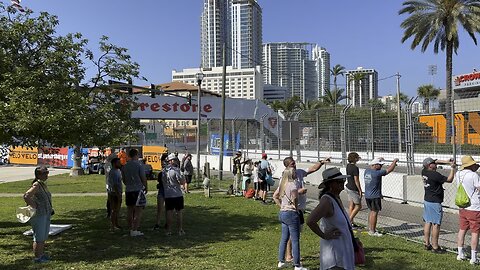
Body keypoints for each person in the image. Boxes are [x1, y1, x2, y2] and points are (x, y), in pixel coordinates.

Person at [282, 156, 330, 263]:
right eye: (292, 164)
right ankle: (288, 256)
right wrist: (299, 192)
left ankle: (292, 255)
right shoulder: (286, 176)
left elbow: (312, 169)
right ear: (286, 166)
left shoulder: (299, 172)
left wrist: (321, 162)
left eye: (294, 163)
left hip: (299, 209)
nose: (294, 165)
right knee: (292, 234)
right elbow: (284, 192)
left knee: (296, 233)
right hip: (292, 209)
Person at [307, 167, 354, 270]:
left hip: (342, 250)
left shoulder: (336, 197)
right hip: (334, 256)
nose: (342, 183)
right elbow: (310, 221)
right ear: (330, 184)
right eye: (339, 181)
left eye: (343, 180)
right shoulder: (327, 201)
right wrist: (324, 235)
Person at [273, 168, 307, 270]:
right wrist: (296, 208)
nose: (296, 174)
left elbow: (275, 196)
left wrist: (281, 206)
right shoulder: (293, 185)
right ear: (291, 175)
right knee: (295, 240)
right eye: (294, 173)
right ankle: (297, 265)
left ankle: (281, 261)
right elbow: (295, 198)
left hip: (283, 212)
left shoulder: (282, 184)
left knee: (284, 238)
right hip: (292, 214)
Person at [421, 157, 456, 253]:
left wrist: (446, 161)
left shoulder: (424, 171)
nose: (436, 164)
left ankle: (426, 243)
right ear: (429, 165)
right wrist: (452, 168)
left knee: (428, 222)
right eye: (433, 163)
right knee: (436, 224)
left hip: (427, 200)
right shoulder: (435, 175)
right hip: (435, 202)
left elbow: (435, 161)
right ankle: (435, 246)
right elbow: (449, 179)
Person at [23, 166, 53, 263]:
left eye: (47, 172)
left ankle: (41, 254)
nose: (47, 175)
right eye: (44, 173)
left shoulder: (42, 185)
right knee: (39, 236)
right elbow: (26, 196)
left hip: (46, 213)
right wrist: (33, 205)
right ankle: (37, 258)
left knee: (43, 236)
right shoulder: (36, 185)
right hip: (39, 214)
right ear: (39, 175)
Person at [364, 157, 399, 236]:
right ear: (375, 165)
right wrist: (394, 161)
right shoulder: (377, 173)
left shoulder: (367, 171)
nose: (381, 166)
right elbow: (389, 170)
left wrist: (378, 159)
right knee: (374, 213)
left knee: (371, 211)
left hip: (367, 195)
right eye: (380, 165)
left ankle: (370, 228)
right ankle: (372, 231)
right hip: (374, 196)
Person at [456, 156, 480, 264]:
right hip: (474, 207)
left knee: (462, 230)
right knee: (475, 232)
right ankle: (474, 257)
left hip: (463, 206)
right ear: (471, 165)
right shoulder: (474, 175)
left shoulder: (458, 174)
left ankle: (460, 254)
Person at [122, 149, 147, 237]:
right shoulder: (139, 165)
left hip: (128, 189)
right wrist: (145, 186)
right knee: (138, 211)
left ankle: (130, 228)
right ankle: (135, 229)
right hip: (137, 190)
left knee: (129, 210)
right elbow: (143, 177)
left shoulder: (125, 166)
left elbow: (124, 179)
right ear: (136, 155)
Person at [163, 153, 186, 236]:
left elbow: (163, 181)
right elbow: (182, 181)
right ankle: (180, 230)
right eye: (175, 160)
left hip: (168, 194)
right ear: (171, 161)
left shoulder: (164, 170)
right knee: (179, 212)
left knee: (169, 212)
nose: (176, 161)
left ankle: (168, 230)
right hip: (177, 194)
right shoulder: (176, 170)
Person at [345, 152, 362, 227]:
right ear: (355, 158)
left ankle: (351, 222)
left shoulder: (348, 166)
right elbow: (356, 180)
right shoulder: (355, 168)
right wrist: (360, 190)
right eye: (357, 157)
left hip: (348, 186)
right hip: (353, 188)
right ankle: (349, 221)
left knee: (351, 204)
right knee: (358, 206)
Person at [153, 153, 169, 230]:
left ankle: (167, 222)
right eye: (162, 162)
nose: (163, 164)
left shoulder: (169, 169)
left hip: (167, 190)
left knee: (167, 207)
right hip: (162, 190)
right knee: (160, 207)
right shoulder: (161, 172)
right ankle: (157, 223)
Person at [107, 157, 123, 231]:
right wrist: (118, 194)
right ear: (114, 163)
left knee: (117, 210)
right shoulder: (113, 172)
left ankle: (116, 224)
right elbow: (114, 184)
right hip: (114, 193)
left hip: (118, 192)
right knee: (114, 210)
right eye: (118, 162)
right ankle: (113, 226)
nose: (120, 164)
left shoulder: (118, 171)